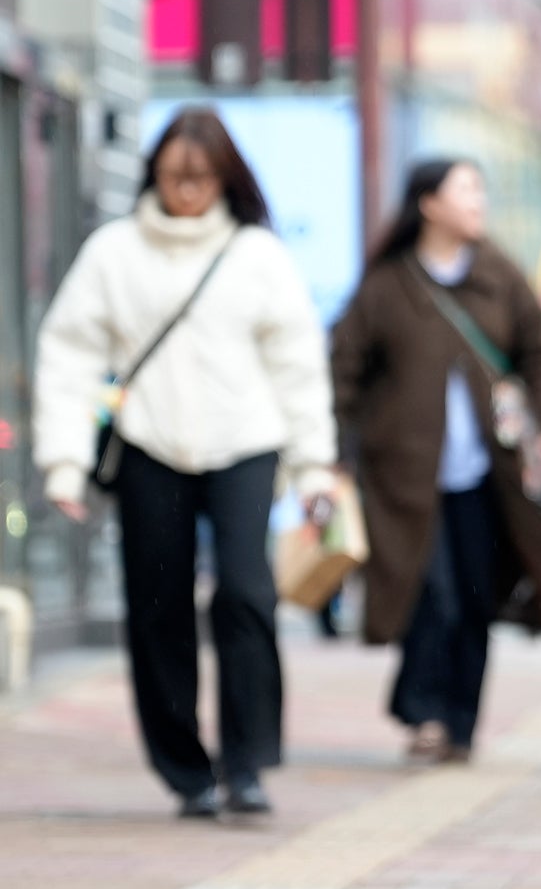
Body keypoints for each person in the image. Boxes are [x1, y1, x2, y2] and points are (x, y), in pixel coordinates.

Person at [33, 107, 336, 818]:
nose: (187, 192)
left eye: (201, 178)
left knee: (245, 594)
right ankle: (185, 770)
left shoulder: (258, 255)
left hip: (246, 442)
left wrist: (315, 464)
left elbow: (298, 366)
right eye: (174, 177)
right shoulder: (114, 251)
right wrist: (63, 463)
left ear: (225, 177)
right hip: (150, 444)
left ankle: (247, 761)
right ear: (153, 176)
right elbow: (69, 352)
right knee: (157, 607)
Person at [329, 159, 541, 763]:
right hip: (403, 480)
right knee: (432, 595)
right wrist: (337, 456)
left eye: (481, 187)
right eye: (465, 188)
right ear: (428, 203)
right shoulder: (387, 286)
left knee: (474, 598)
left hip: (485, 478)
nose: (478, 200)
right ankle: (423, 711)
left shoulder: (499, 275)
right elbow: (342, 372)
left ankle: (460, 723)